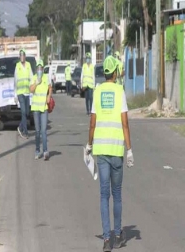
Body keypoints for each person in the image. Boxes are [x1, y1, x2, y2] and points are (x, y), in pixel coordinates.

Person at [85, 55, 134, 252]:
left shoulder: (97, 92)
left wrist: (88, 145)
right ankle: (117, 234)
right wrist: (129, 150)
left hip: (101, 151)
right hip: (116, 150)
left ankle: (107, 239)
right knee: (117, 194)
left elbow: (92, 123)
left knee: (104, 195)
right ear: (115, 72)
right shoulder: (120, 91)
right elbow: (124, 123)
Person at [30, 60, 52, 160]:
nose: (39, 70)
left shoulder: (46, 77)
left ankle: (45, 151)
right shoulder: (34, 78)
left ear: (43, 69)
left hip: (44, 108)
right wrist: (36, 83)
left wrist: (49, 96)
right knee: (37, 131)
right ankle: (37, 150)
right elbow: (31, 89)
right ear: (36, 69)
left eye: (41, 68)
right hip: (35, 108)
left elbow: (50, 87)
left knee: (44, 130)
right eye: (38, 68)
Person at [14, 48, 33, 139]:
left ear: (25, 56)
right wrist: (15, 95)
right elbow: (15, 80)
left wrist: (33, 89)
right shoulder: (17, 66)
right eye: (20, 55)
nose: (22, 56)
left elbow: (31, 77)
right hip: (20, 93)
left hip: (27, 93)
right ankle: (25, 132)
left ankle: (20, 126)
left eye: (23, 55)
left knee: (27, 113)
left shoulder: (28, 65)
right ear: (19, 57)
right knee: (23, 112)